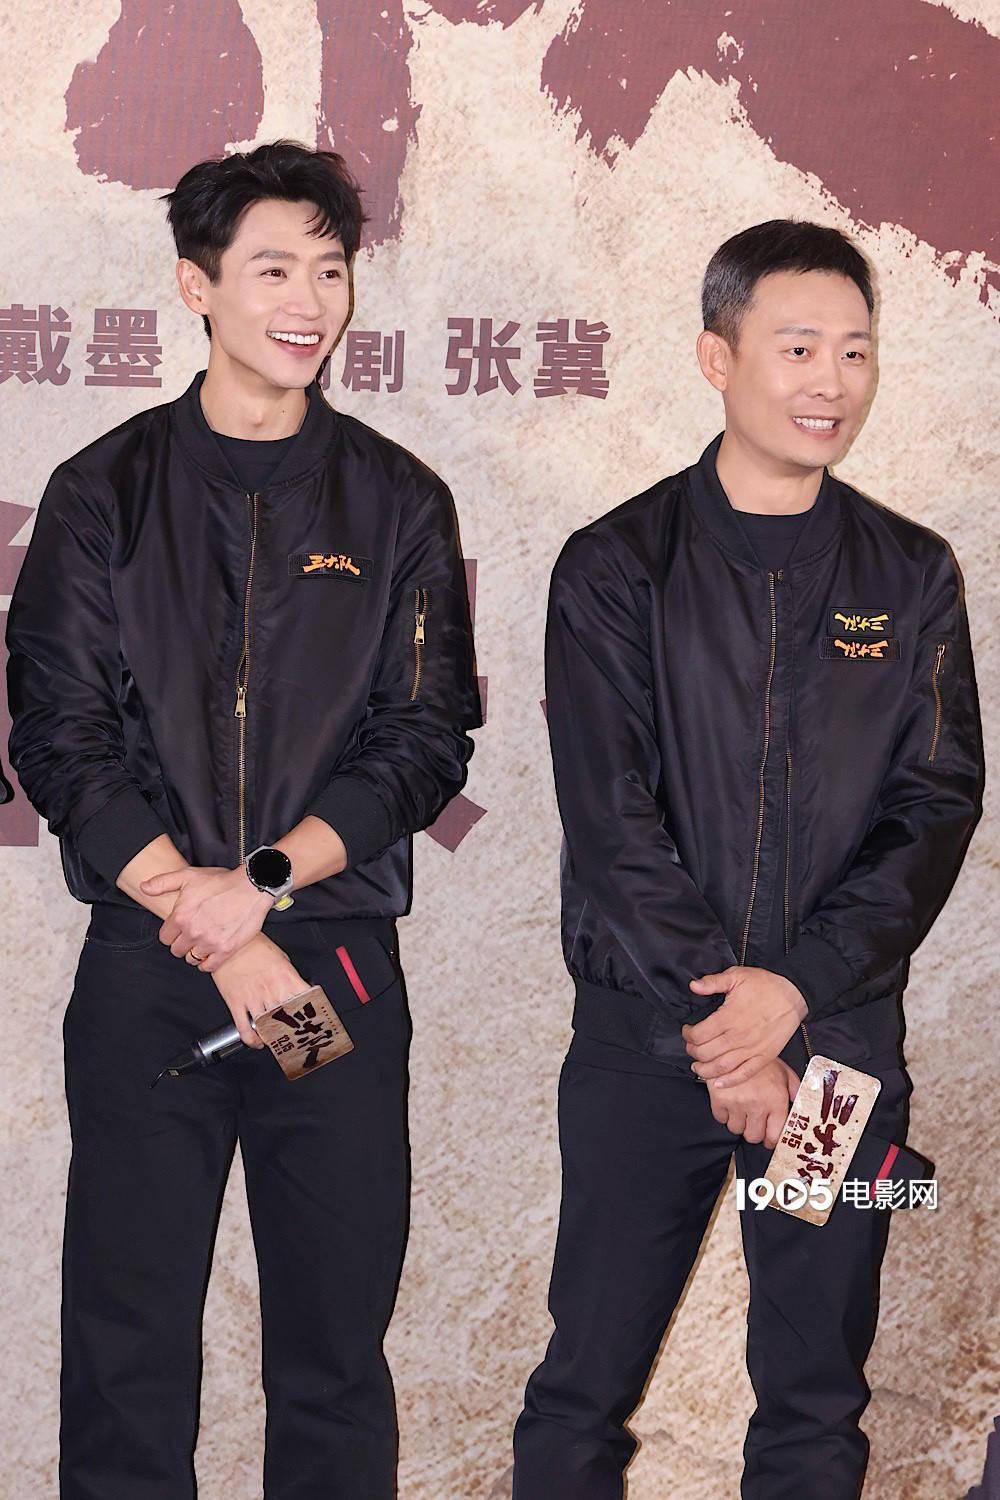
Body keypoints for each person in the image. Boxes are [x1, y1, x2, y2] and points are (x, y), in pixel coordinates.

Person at [5, 139, 481, 1499]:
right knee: (128, 1333)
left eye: (329, 270)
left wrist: (259, 887)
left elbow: (421, 738)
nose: (308, 300)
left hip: (323, 973)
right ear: (196, 285)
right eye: (272, 269)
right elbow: (60, 734)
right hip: (150, 975)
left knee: (332, 1340)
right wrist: (204, 915)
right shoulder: (104, 492)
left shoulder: (395, 499)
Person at [511, 219, 984, 1498]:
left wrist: (793, 994)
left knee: (815, 1399)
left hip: (832, 1059)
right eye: (798, 348)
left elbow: (934, 805)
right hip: (646, 1047)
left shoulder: (910, 573)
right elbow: (610, 819)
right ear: (717, 358)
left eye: (855, 351)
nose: (832, 381)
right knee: (583, 1386)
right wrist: (727, 1030)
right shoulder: (616, 565)